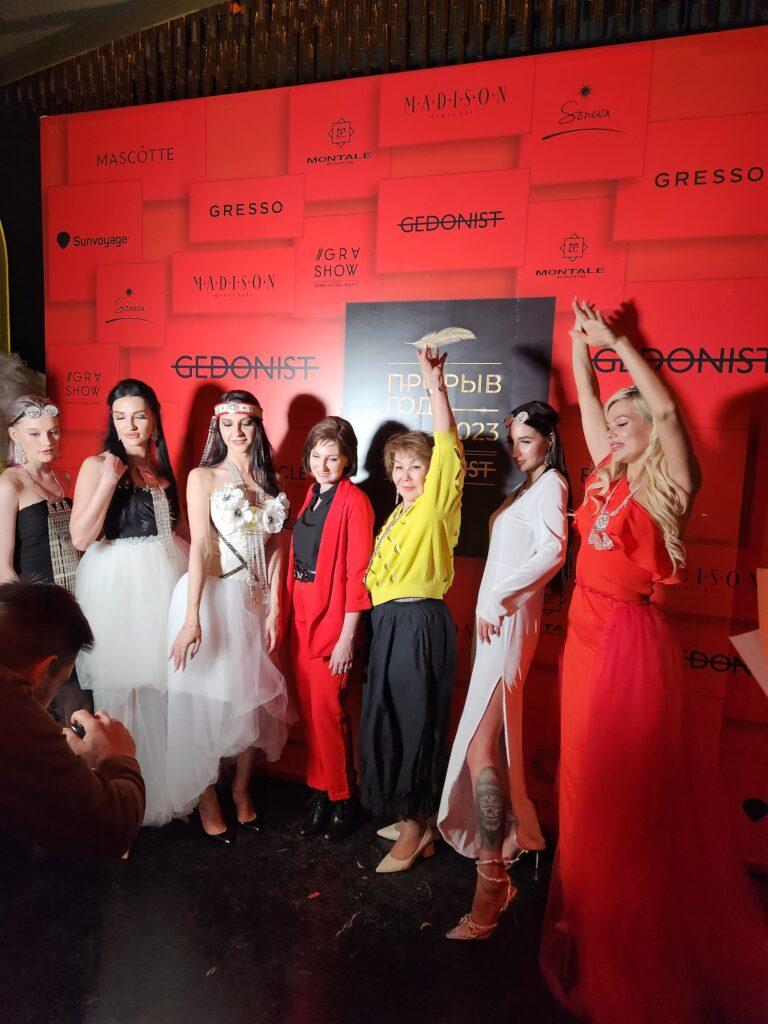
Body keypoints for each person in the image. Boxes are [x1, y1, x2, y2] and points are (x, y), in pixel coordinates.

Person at [540, 300, 766, 1023]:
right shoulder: (607, 472)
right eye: (610, 420)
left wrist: (618, 342)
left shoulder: (671, 484)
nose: (612, 427)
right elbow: (584, 407)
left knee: (619, 788)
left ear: (649, 427)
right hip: (583, 635)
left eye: (624, 419)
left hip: (627, 646)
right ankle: (582, 906)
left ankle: (620, 918)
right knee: (579, 777)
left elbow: (666, 411)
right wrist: (580, 349)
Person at [438, 400, 570, 939]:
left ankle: (491, 878)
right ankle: (520, 838)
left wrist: (500, 599)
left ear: (549, 442)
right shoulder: (528, 489)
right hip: (496, 625)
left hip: (508, 625)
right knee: (489, 743)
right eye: (512, 440)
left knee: (479, 747)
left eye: (526, 440)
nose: (516, 450)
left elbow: (554, 551)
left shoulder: (553, 485)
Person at [167, 391, 291, 843]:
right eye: (227, 425)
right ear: (216, 430)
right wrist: (191, 618)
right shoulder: (203, 476)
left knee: (250, 703)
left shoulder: (269, 479)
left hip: (253, 602)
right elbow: (200, 546)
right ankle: (206, 798)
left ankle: (240, 789)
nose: (237, 432)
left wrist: (275, 606)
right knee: (205, 703)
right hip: (212, 599)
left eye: (246, 423)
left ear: (258, 426)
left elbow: (277, 548)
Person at [360, 345, 465, 873]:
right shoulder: (398, 514)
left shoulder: (436, 505)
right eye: (398, 466)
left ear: (432, 471)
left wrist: (434, 386)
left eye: (416, 466)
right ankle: (410, 816)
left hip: (418, 621)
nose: (405, 474)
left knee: (416, 721)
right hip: (389, 623)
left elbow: (447, 444)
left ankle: (419, 824)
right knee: (390, 718)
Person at [70, 379, 187, 828]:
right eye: (120, 417)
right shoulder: (97, 464)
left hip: (165, 579)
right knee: (120, 693)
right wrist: (109, 479)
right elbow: (82, 537)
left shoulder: (161, 467)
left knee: (161, 691)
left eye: (138, 415)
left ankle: (158, 795)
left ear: (154, 417)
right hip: (118, 585)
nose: (130, 425)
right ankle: (118, 803)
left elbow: (174, 532)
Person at [0, 580, 145, 858]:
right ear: (42, 670)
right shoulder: (9, 706)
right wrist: (117, 757)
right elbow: (112, 829)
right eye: (61, 681)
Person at [285, 417, 374, 842]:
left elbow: (359, 575)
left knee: (329, 714)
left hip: (334, 618)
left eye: (332, 458)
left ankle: (343, 798)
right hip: (301, 611)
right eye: (316, 456)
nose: (322, 466)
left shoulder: (355, 502)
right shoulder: (312, 495)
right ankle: (319, 792)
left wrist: (347, 638)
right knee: (311, 712)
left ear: (347, 460)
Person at [0, 394, 90, 724]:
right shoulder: (9, 484)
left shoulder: (64, 478)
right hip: (37, 609)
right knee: (52, 701)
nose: (47, 441)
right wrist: (28, 618)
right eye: (35, 433)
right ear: (15, 435)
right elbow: (2, 565)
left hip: (74, 600)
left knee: (81, 700)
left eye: (53, 432)